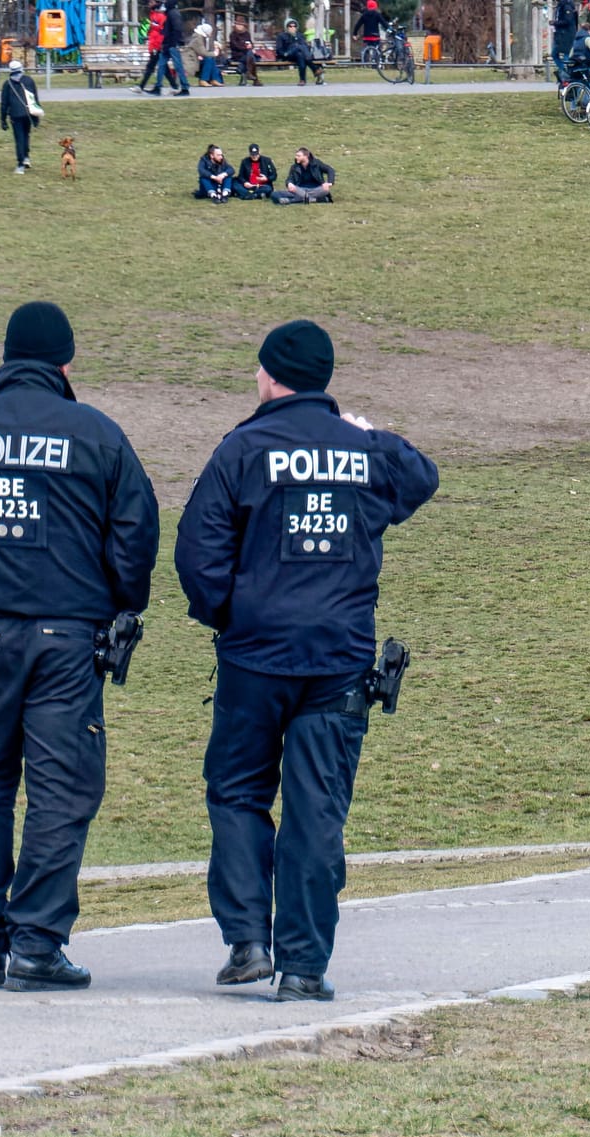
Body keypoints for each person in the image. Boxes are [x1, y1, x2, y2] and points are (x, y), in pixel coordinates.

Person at [174, 320, 439, 1002]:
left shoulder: (242, 448)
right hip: (338, 659)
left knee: (237, 792)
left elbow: (196, 556)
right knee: (316, 812)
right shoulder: (363, 451)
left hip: (255, 656)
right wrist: (364, 430)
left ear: (268, 376)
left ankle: (247, 941)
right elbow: (421, 476)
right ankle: (303, 965)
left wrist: (232, 615)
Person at [0, 301, 159, 991]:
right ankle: (38, 941)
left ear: (7, 357)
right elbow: (135, 535)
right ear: (65, 363)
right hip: (68, 641)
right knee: (60, 789)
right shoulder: (97, 434)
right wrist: (117, 603)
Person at [0, 61, 40, 175]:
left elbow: (4, 104)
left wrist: (3, 120)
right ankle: (26, 157)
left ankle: (20, 164)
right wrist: (36, 117)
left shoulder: (7, 84)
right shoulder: (29, 80)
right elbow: (35, 98)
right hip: (29, 113)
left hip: (15, 115)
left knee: (19, 138)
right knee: (26, 135)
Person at [138, 0, 173, 92]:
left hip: (157, 45)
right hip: (153, 44)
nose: (149, 4)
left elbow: (162, 32)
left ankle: (141, 86)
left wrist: (159, 45)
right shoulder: (153, 15)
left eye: (151, 3)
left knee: (151, 66)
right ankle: (174, 86)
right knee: (164, 67)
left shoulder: (161, 17)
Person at [161, 0, 191, 94]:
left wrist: (172, 42)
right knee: (163, 64)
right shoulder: (171, 13)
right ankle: (159, 86)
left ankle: (184, 87)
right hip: (170, 43)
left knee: (177, 66)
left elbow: (176, 29)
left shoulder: (173, 13)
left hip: (172, 43)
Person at [552, 0, 579, 77]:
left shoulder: (567, 7)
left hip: (567, 34)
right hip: (562, 33)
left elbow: (568, 20)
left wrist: (555, 23)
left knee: (565, 54)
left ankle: (565, 72)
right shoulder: (561, 6)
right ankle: (564, 70)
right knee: (556, 53)